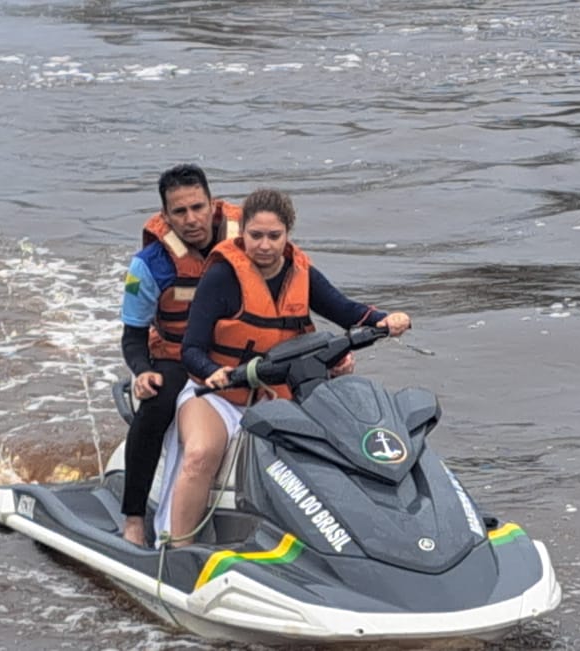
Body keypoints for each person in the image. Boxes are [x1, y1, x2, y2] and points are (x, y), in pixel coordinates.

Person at [152, 188, 412, 547]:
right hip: (217, 396)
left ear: (287, 234)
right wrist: (212, 370)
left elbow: (347, 311)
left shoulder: (301, 273)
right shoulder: (221, 277)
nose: (264, 245)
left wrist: (385, 319)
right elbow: (191, 348)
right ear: (242, 233)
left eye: (274, 236)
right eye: (255, 235)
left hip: (275, 398)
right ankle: (178, 548)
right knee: (200, 454)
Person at [117, 164, 241, 547]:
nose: (191, 219)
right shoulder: (147, 266)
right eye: (180, 211)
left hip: (232, 352)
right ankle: (134, 519)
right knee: (156, 406)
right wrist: (142, 372)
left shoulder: (248, 242)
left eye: (198, 207)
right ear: (166, 216)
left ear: (212, 204)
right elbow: (133, 336)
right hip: (175, 357)